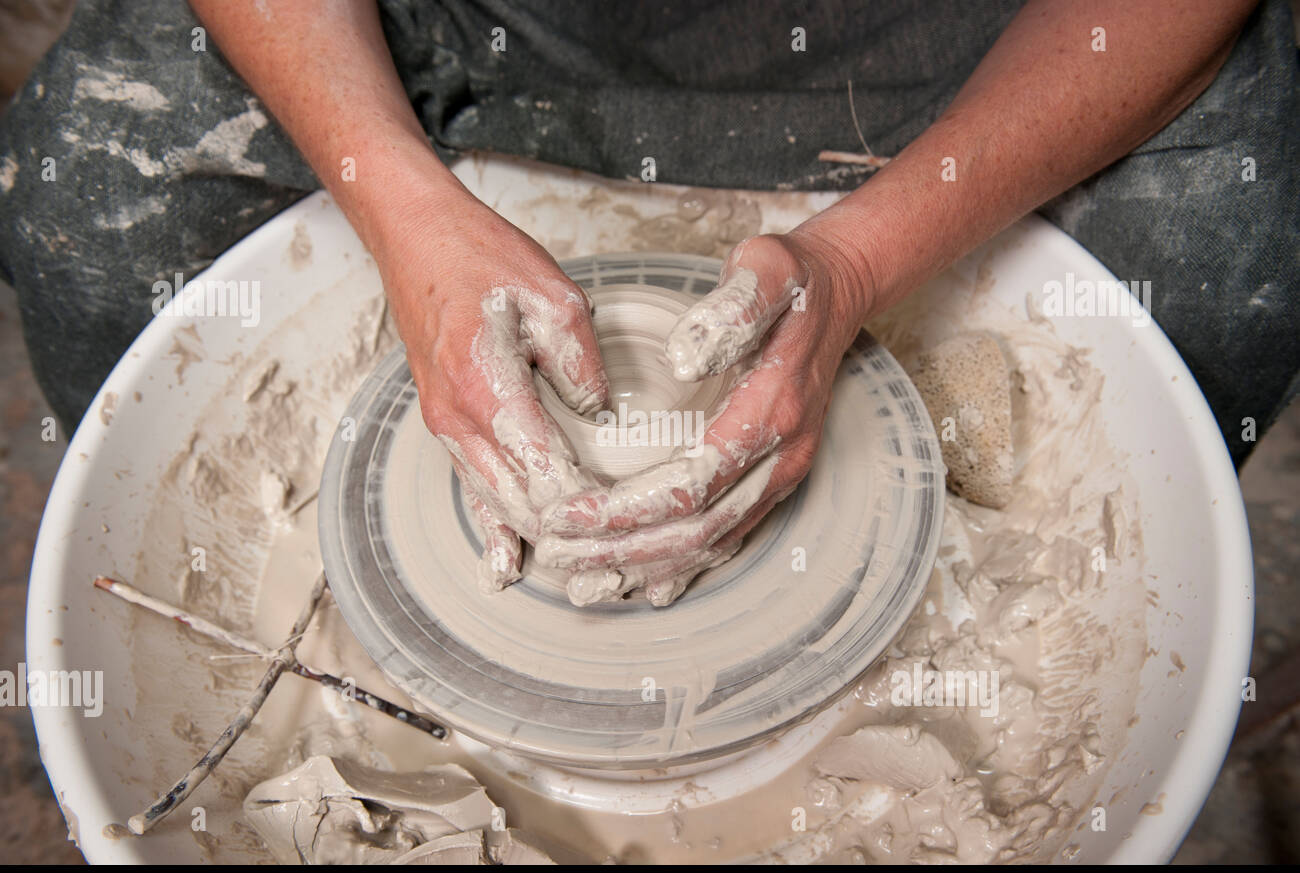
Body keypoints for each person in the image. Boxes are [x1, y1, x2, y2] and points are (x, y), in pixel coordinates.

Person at [1, 0, 1295, 604]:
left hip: (939, 68)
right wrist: (401, 206)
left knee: (1230, 255)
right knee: (89, 209)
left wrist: (857, 266)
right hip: (480, 36)